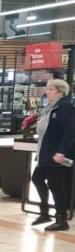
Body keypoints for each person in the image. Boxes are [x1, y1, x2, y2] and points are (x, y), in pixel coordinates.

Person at [31, 78, 75, 232]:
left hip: (57, 154)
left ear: (60, 91)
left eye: (50, 89)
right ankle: (44, 213)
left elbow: (71, 131)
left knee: (56, 185)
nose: (47, 92)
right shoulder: (51, 107)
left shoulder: (65, 107)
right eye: (47, 89)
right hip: (46, 152)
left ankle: (61, 219)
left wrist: (62, 151)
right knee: (36, 178)